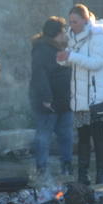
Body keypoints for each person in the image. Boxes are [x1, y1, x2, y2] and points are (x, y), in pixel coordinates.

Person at [60, 3, 103, 186]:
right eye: (70, 22)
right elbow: (77, 63)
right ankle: (82, 175)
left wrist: (71, 57)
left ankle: (102, 173)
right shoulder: (72, 36)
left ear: (85, 20)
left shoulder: (99, 36)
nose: (71, 25)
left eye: (75, 22)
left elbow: (98, 63)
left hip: (96, 96)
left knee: (98, 135)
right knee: (83, 137)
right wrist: (64, 60)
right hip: (79, 97)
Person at [30, 16, 73, 179]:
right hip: (49, 103)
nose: (65, 34)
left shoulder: (60, 48)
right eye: (63, 31)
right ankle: (41, 169)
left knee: (66, 136)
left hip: (64, 101)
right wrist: (46, 98)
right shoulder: (42, 49)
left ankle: (67, 167)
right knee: (43, 137)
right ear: (56, 33)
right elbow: (40, 75)